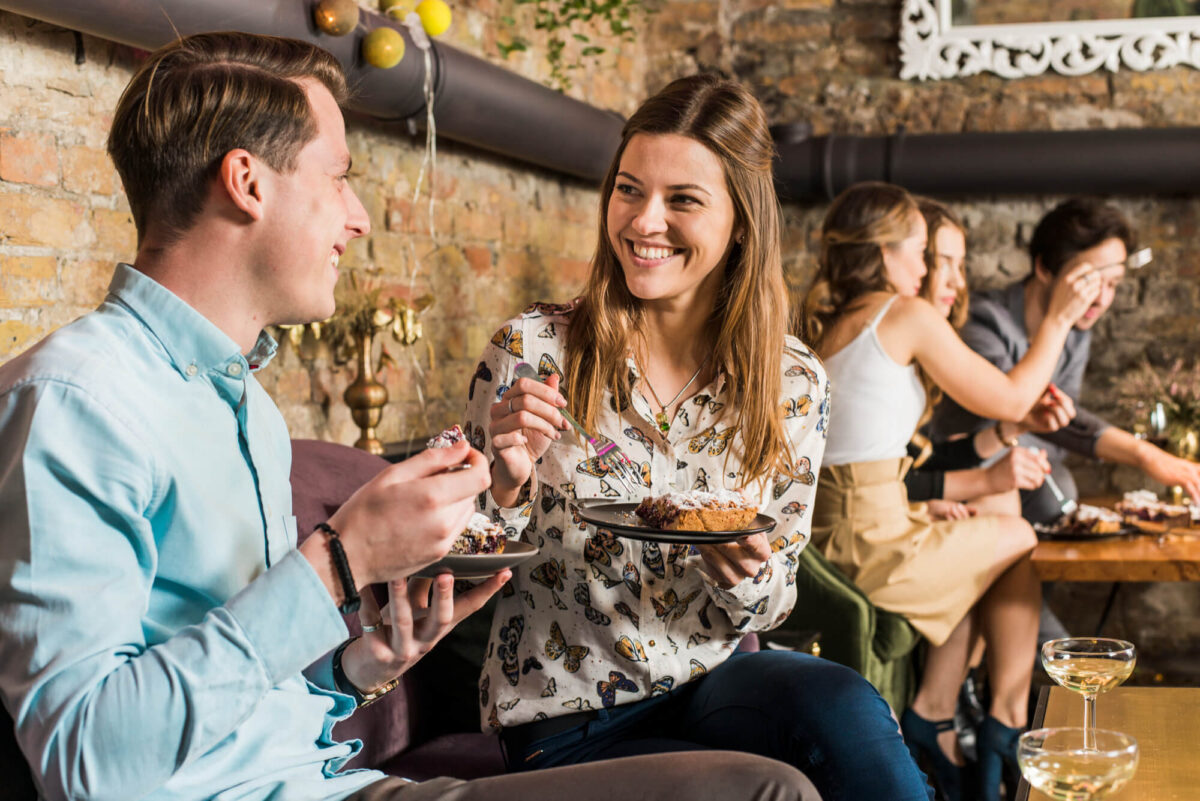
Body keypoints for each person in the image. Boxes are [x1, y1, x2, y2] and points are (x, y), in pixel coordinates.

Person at [0, 33, 818, 801]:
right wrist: (338, 560)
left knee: (789, 761)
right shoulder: (75, 401)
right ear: (247, 183)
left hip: (334, 781)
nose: (357, 217)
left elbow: (247, 700)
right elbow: (86, 761)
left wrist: (360, 665)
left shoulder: (245, 403)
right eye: (339, 177)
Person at [458, 74, 933, 801]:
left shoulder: (793, 380)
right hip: (566, 714)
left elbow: (774, 597)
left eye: (683, 199)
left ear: (741, 220)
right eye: (628, 189)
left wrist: (744, 571)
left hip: (716, 680)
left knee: (842, 701)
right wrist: (505, 483)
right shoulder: (534, 350)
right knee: (770, 786)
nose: (645, 221)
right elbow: (454, 562)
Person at [801, 181, 1098, 801]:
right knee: (1016, 533)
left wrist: (924, 499)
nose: (927, 267)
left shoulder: (829, 325)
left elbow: (853, 461)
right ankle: (1000, 724)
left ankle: (955, 718)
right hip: (868, 542)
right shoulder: (903, 313)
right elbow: (1013, 394)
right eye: (920, 252)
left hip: (844, 528)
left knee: (982, 528)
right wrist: (1062, 319)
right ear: (885, 255)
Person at [931, 197, 1200, 524]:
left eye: (1112, 284)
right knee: (1047, 495)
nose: (1101, 298)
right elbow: (1017, 405)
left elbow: (1060, 417)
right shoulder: (981, 321)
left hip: (1035, 467)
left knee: (1060, 494)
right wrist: (1143, 454)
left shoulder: (1075, 329)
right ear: (1045, 268)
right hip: (963, 466)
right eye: (1089, 281)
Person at [904, 197, 1067, 520]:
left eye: (960, 265)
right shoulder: (911, 327)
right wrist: (1060, 317)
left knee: (1013, 499)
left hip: (902, 498)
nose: (958, 282)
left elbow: (921, 461)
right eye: (943, 262)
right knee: (1006, 509)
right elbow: (1013, 398)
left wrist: (1010, 429)